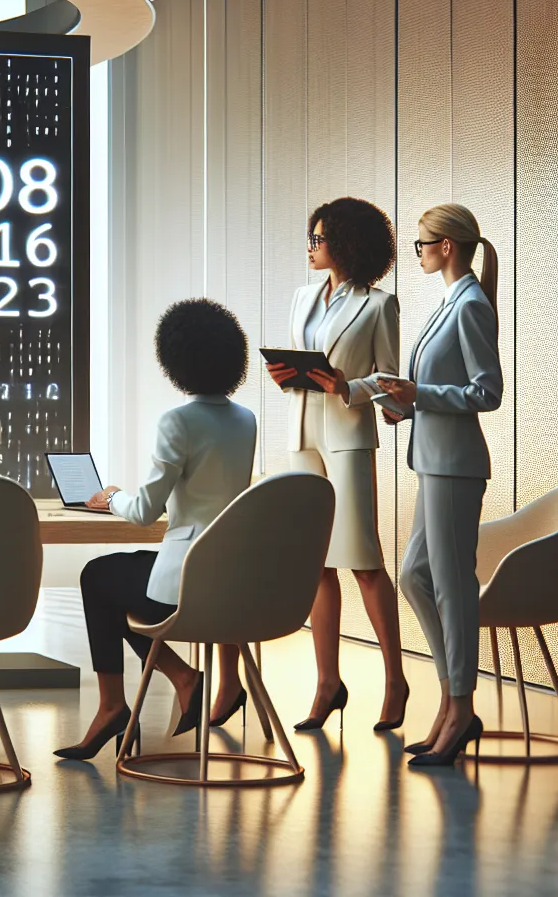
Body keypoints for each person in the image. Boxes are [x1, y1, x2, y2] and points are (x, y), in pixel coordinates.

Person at [220, 197, 407, 733]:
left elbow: (392, 382)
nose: (311, 248)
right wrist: (291, 375)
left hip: (347, 437)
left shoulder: (379, 305)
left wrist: (348, 386)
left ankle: (395, 679)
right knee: (317, 565)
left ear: (345, 244)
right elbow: (300, 356)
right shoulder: (303, 296)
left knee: (364, 562)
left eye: (318, 240)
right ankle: (328, 682)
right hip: (301, 434)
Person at [55, 298, 258, 761]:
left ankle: (113, 706)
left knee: (97, 578)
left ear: (176, 360)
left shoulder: (177, 421)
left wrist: (110, 499)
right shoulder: (245, 420)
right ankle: (181, 679)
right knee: (116, 579)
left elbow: (146, 510)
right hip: (230, 580)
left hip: (183, 584)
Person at [376, 202, 503, 768]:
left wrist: (419, 397)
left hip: (455, 466)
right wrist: (404, 406)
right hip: (432, 458)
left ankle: (459, 709)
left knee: (453, 587)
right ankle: (454, 700)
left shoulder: (471, 305)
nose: (419, 253)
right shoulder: (450, 302)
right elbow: (435, 387)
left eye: (423, 244)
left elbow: (487, 391)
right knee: (415, 576)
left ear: (447, 247)